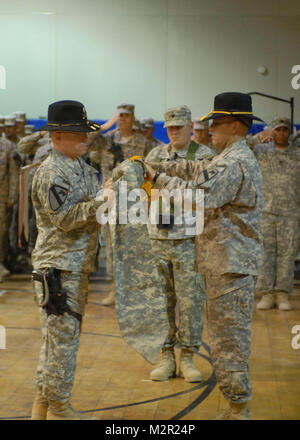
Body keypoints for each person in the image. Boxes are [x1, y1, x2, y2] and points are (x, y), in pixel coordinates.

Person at [145, 92, 264, 420]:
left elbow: (197, 195)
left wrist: (157, 177)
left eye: (218, 122)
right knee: (227, 341)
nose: (210, 128)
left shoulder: (233, 161)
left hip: (231, 264)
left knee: (230, 345)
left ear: (237, 126)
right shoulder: (225, 156)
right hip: (224, 263)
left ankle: (238, 410)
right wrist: (158, 168)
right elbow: (195, 168)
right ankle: (234, 408)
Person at [30, 100, 112, 420]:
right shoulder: (52, 171)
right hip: (58, 268)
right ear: (58, 135)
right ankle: (61, 411)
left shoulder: (79, 166)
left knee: (56, 343)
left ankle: (42, 408)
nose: (85, 138)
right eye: (78, 133)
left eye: (85, 132)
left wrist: (102, 195)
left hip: (74, 265)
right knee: (62, 345)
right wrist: (101, 201)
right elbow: (64, 218)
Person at [145, 106, 214, 382]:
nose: (175, 131)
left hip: (189, 239)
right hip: (157, 237)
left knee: (191, 301)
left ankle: (186, 356)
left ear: (190, 127)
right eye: (170, 127)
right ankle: (165, 356)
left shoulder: (205, 156)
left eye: (180, 126)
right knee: (160, 301)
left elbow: (207, 195)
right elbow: (143, 191)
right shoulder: (155, 155)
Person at [87, 104, 152, 305]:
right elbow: (87, 138)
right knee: (111, 247)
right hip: (110, 201)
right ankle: (115, 290)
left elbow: (151, 171)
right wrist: (107, 124)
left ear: (133, 118)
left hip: (135, 201)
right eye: (120, 116)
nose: (123, 119)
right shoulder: (106, 141)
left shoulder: (144, 142)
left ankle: (136, 290)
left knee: (136, 247)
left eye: (126, 116)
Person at [253, 117, 300, 311]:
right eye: (277, 130)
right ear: (272, 131)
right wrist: (258, 137)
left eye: (285, 130)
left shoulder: (297, 154)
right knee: (265, 253)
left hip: (291, 212)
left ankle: (282, 293)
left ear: (290, 132)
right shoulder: (262, 152)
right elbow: (240, 147)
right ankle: (266, 293)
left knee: (287, 254)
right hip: (266, 212)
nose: (281, 134)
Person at [0, 134, 19, 281]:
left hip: (2, 195)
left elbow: (13, 173)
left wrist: (12, 196)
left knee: (2, 232)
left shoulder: (7, 146)